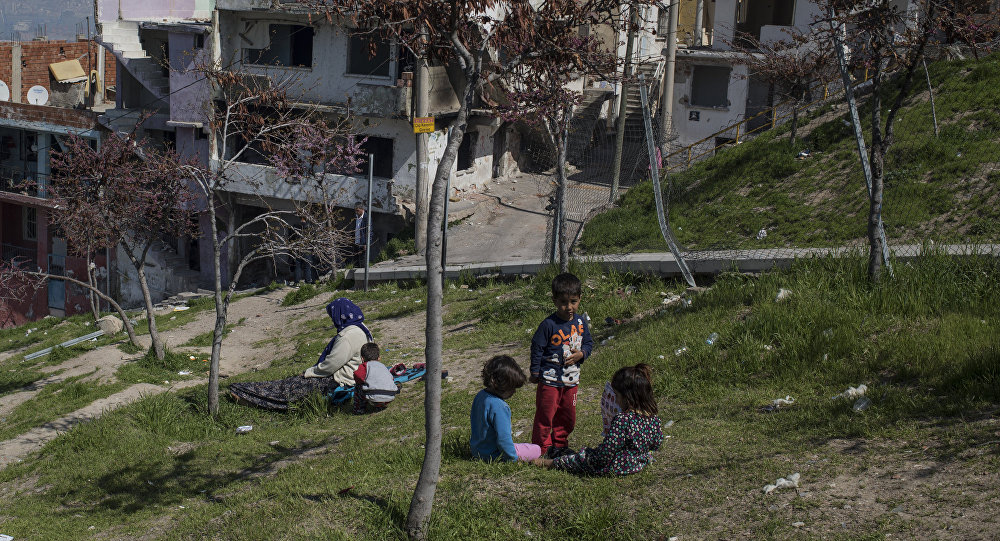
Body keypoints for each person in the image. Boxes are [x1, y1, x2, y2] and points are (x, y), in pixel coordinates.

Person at [228, 298, 372, 411]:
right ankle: (244, 391)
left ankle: (251, 397)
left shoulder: (347, 336)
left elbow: (331, 365)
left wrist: (310, 372)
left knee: (290, 389)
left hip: (340, 380)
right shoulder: (361, 328)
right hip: (350, 377)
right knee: (287, 384)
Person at [533, 363, 663, 476]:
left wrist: (588, 455)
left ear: (627, 397)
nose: (616, 400)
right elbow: (657, 443)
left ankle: (550, 463)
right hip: (639, 463)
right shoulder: (653, 419)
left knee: (583, 458)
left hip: (616, 466)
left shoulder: (623, 420)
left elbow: (604, 455)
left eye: (617, 395)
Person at [529, 272, 593, 458]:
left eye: (573, 301)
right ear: (555, 301)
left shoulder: (581, 322)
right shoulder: (548, 324)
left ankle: (560, 444)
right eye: (564, 302)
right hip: (549, 380)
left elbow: (588, 343)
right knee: (545, 415)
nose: (569, 307)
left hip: (571, 380)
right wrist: (535, 371)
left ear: (580, 298)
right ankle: (542, 448)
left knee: (567, 416)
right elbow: (537, 347)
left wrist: (582, 354)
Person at [470, 355, 542, 462]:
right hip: (494, 455)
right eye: (512, 387)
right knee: (536, 449)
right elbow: (503, 439)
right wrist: (512, 458)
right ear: (501, 384)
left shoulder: (480, 396)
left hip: (477, 451)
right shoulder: (500, 407)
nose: (514, 391)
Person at [352, 342, 398, 414]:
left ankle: (359, 409)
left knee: (358, 388)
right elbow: (391, 379)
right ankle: (380, 406)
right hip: (390, 396)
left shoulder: (364, 366)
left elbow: (357, 376)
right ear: (379, 357)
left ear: (362, 359)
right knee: (379, 387)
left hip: (374, 396)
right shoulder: (383, 366)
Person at [353, 201, 370, 268]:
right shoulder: (355, 217)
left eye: (357, 210)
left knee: (363, 262)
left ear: (362, 209)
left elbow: (369, 232)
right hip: (355, 242)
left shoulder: (366, 218)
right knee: (355, 261)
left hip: (363, 243)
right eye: (355, 211)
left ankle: (363, 276)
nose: (356, 212)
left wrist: (366, 243)